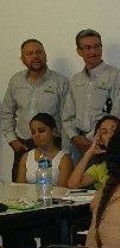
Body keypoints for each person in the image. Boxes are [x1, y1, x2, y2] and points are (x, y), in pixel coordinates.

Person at [3, 113, 72, 248]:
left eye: (42, 130)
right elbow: (18, 187)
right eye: (33, 132)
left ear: (53, 131)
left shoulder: (63, 158)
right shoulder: (27, 157)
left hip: (50, 211)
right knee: (8, 226)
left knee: (53, 228)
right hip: (29, 209)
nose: (37, 136)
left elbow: (63, 191)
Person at [0, 39, 69, 181]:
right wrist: (12, 140)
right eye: (30, 53)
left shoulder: (60, 82)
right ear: (23, 59)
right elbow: (6, 112)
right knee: (19, 195)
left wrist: (64, 147)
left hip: (51, 146)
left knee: (50, 190)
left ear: (45, 55)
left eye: (39, 52)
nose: (35, 56)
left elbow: (67, 117)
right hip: (22, 145)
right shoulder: (16, 81)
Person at [62, 29, 120, 163]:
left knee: (100, 182)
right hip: (78, 145)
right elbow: (67, 116)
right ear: (79, 52)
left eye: (97, 46)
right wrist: (75, 137)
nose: (93, 52)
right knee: (76, 183)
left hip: (103, 144)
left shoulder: (115, 76)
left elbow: (118, 115)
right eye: (87, 48)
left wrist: (91, 138)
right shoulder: (76, 80)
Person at [67, 115, 120, 189]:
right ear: (101, 141)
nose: (110, 135)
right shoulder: (101, 167)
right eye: (104, 132)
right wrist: (89, 153)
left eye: (114, 130)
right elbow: (73, 184)